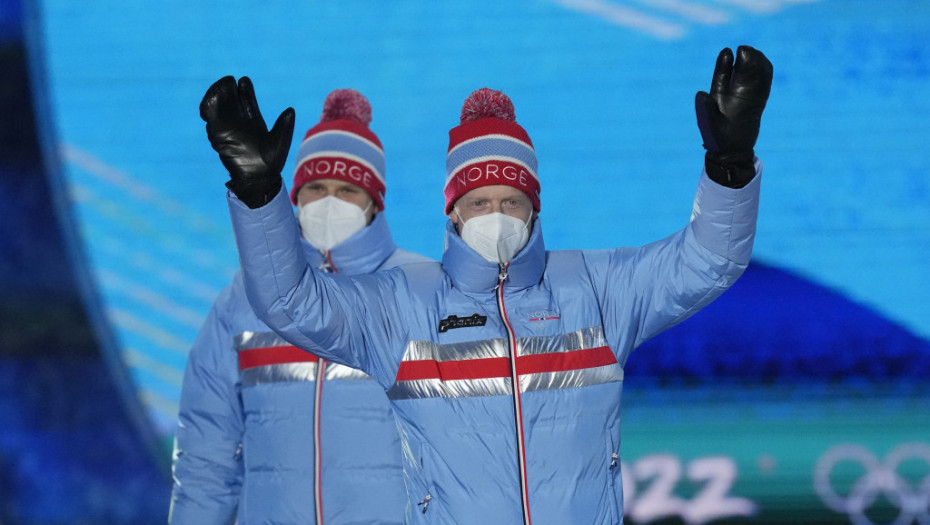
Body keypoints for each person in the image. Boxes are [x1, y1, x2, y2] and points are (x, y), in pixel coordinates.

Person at [202, 45, 772, 524]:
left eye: (510, 201)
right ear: (453, 212)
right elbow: (287, 299)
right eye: (478, 202)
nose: (494, 213)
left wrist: (730, 168)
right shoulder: (403, 305)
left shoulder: (597, 289)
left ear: (534, 208)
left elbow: (709, 260)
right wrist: (259, 195)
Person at [169, 87, 432, 525]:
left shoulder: (418, 290)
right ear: (293, 196)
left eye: (347, 189)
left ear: (374, 201)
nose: (329, 202)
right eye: (316, 188)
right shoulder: (242, 301)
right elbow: (206, 455)